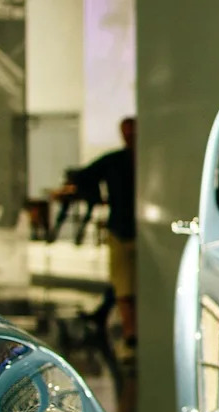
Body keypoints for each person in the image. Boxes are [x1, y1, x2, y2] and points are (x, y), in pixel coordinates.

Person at [72, 117, 137, 361]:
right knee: (123, 287)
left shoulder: (122, 161)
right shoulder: (116, 161)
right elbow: (83, 177)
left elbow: (82, 177)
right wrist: (95, 197)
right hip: (122, 230)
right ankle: (131, 334)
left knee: (127, 287)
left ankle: (132, 334)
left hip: (133, 231)